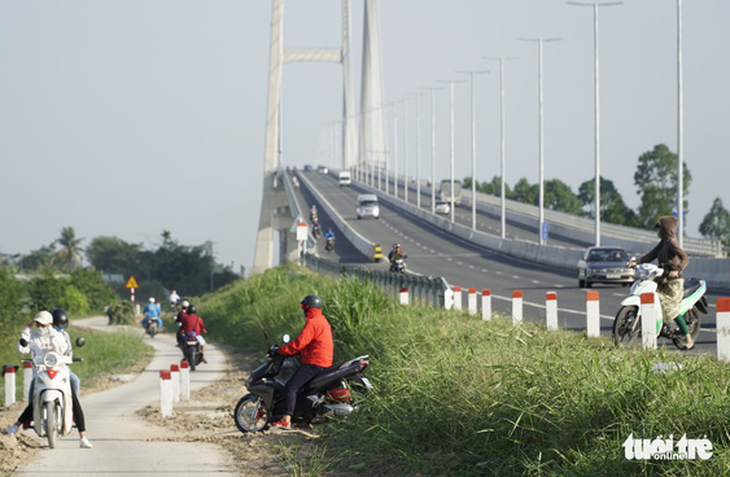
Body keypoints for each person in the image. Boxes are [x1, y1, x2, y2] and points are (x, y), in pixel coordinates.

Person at [5, 311, 92, 448]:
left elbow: (63, 349)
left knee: (73, 400)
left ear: (50, 324)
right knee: (34, 400)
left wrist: (51, 333)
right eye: (38, 324)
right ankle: (16, 426)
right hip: (41, 373)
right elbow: (22, 349)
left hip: (59, 372)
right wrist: (26, 332)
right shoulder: (33, 337)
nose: (40, 327)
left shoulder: (58, 336)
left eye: (43, 324)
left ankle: (83, 437)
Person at [627, 215, 693, 349]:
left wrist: (678, 270)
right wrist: (636, 262)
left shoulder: (672, 242)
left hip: (674, 283)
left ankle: (689, 339)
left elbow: (685, 258)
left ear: (666, 229)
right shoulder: (663, 242)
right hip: (663, 280)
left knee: (670, 310)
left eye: (660, 229)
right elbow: (651, 255)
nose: (658, 232)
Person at [269, 295, 333, 430]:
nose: (302, 310)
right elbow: (307, 346)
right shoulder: (322, 320)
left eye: (303, 307)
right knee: (303, 389)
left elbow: (299, 343)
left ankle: (286, 419)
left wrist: (281, 351)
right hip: (323, 362)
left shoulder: (313, 322)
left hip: (314, 362)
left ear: (308, 307)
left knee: (291, 387)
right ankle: (304, 419)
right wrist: (290, 352)